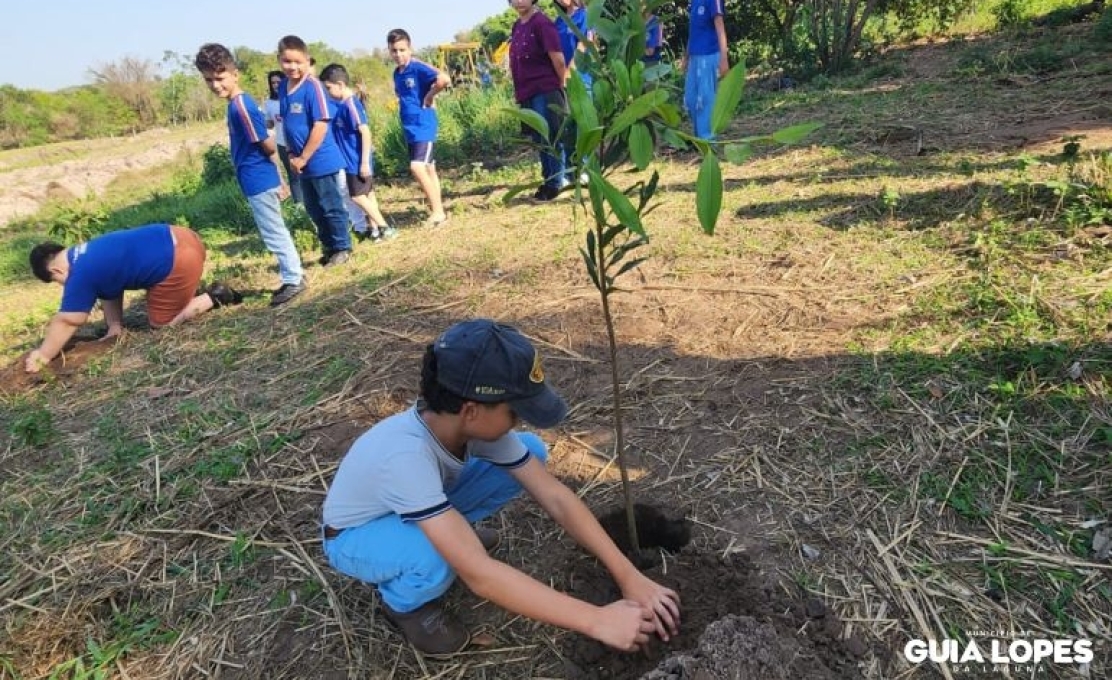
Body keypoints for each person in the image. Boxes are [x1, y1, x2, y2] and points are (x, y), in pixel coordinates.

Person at [321, 318, 681, 657]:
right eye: (514, 412)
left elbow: (555, 497)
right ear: (472, 410)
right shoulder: (404, 457)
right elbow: (480, 576)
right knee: (438, 556)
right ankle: (403, 605)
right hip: (353, 537)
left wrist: (627, 573)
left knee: (533, 452)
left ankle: (448, 534)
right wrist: (597, 619)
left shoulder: (465, 426)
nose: (518, 421)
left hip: (411, 505)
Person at [24, 224, 241, 373]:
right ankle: (191, 292)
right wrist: (114, 326)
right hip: (184, 236)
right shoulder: (86, 252)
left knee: (162, 324)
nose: (63, 285)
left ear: (55, 271)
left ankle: (215, 296)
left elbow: (69, 319)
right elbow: (109, 288)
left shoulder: (79, 272)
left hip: (180, 259)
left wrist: (43, 354)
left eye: (56, 282)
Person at [194, 44, 307, 307]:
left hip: (259, 180)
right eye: (209, 80)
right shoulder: (236, 105)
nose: (215, 85)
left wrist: (279, 176)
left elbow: (267, 145)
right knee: (273, 230)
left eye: (220, 78)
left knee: (273, 232)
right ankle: (293, 274)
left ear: (235, 74)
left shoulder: (241, 106)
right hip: (255, 179)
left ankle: (294, 278)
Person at [277, 35, 353, 267]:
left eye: (298, 62)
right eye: (287, 62)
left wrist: (304, 156)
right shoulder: (283, 87)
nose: (293, 67)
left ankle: (342, 247)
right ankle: (329, 246)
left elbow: (320, 125)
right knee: (313, 208)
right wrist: (291, 153)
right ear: (279, 60)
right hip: (300, 161)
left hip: (320, 159)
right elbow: (287, 122)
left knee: (330, 205)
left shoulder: (314, 87)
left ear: (307, 60)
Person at [320, 63, 396, 243]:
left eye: (329, 88)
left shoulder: (350, 105)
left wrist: (363, 162)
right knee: (368, 195)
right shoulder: (343, 105)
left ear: (340, 85)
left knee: (357, 196)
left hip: (356, 161)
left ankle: (385, 227)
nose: (328, 92)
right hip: (351, 161)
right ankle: (375, 230)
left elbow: (365, 132)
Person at [387, 28, 451, 227]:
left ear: (410, 48)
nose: (398, 54)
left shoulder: (417, 67)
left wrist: (430, 96)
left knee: (417, 167)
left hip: (424, 124)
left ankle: (439, 212)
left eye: (402, 50)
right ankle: (437, 209)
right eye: (394, 51)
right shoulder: (397, 73)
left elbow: (444, 79)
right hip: (410, 127)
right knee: (430, 169)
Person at [508, 0, 568, 201]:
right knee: (539, 139)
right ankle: (548, 179)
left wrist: (561, 85)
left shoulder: (542, 23)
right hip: (527, 92)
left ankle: (556, 183)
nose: (518, 1)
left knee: (551, 136)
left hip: (546, 88)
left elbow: (557, 58)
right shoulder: (517, 26)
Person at [683, 0, 729, 141]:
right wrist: (686, 56)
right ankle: (699, 136)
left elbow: (720, 28)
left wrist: (724, 58)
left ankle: (707, 139)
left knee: (705, 98)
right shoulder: (694, 2)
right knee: (691, 99)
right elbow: (693, 31)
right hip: (695, 56)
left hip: (708, 55)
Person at [264, 69, 302, 204]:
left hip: (299, 141)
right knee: (293, 175)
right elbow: (269, 124)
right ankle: (299, 205)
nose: (275, 85)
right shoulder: (269, 103)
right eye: (272, 82)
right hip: (282, 144)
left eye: (278, 82)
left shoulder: (292, 97)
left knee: (305, 173)